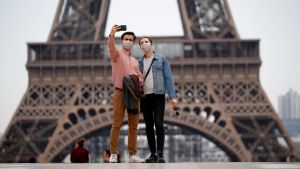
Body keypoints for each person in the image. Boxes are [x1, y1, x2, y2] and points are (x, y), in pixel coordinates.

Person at [107, 25, 144, 163]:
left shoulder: (134, 61)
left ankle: (132, 154)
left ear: (133, 43)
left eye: (130, 39)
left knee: (134, 125)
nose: (128, 41)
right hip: (120, 92)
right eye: (126, 39)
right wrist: (112, 34)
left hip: (133, 95)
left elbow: (140, 77)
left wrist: (138, 82)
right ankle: (114, 153)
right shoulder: (116, 54)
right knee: (116, 124)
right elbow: (111, 48)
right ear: (122, 40)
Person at [138, 37, 177, 163]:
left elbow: (168, 78)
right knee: (149, 126)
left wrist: (173, 97)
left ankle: (160, 153)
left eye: (146, 42)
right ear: (140, 47)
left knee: (159, 124)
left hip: (159, 96)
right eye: (142, 43)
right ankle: (153, 153)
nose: (145, 44)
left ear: (151, 44)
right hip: (145, 97)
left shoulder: (161, 59)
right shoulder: (139, 63)